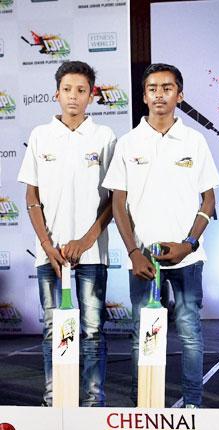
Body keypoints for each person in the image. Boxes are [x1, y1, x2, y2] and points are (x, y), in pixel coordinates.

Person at [102, 63, 219, 408]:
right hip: (144, 261)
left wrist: (188, 244)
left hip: (187, 259)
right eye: (152, 88)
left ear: (179, 95)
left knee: (189, 332)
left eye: (167, 88)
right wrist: (134, 252)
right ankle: (145, 403)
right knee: (143, 336)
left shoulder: (195, 141)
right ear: (143, 96)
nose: (159, 94)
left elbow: (209, 198)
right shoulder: (128, 143)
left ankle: (195, 403)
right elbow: (118, 203)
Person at [18, 60, 116, 406]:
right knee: (51, 331)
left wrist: (86, 240)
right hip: (51, 255)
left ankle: (92, 402)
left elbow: (115, 199)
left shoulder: (104, 137)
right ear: (56, 94)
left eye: (81, 91)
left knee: (91, 332)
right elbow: (31, 196)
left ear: (92, 96)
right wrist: (48, 245)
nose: (73, 97)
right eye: (67, 90)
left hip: (91, 255)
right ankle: (53, 400)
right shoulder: (40, 135)